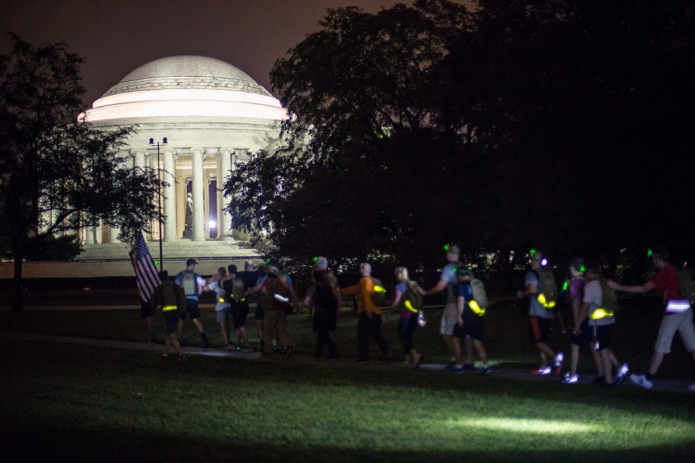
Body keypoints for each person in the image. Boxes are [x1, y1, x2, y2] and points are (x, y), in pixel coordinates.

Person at [609, 247, 695, 390]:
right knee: (693, 345)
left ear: (658, 259)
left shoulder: (665, 273)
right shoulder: (676, 270)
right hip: (686, 309)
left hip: (674, 311)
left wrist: (618, 286)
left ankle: (648, 379)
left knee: (661, 345)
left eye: (654, 259)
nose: (653, 262)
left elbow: (644, 289)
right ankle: (649, 378)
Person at [573, 262, 628, 386]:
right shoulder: (606, 282)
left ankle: (608, 381)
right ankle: (606, 375)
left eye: (587, 272)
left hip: (599, 322)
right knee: (602, 347)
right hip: (610, 320)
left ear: (592, 273)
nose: (585, 274)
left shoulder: (591, 286)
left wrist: (578, 323)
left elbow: (585, 307)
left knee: (603, 350)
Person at [516, 250, 564, 375]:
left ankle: (556, 359)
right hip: (549, 311)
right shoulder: (547, 273)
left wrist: (522, 294)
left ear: (534, 261)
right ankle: (544, 366)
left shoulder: (532, 274)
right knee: (543, 340)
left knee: (536, 341)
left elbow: (532, 289)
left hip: (536, 312)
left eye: (531, 259)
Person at [423, 245, 465, 373]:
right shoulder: (465, 267)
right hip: (467, 304)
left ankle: (458, 364)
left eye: (447, 253)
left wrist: (426, 293)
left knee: (448, 334)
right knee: (466, 336)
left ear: (451, 254)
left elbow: (440, 287)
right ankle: (467, 361)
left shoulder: (449, 268)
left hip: (453, 304)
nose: (446, 255)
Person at [341, 262, 391, 363]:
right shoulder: (373, 281)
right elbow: (356, 289)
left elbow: (365, 297)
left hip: (366, 312)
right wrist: (341, 291)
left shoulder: (364, 281)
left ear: (362, 270)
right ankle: (386, 350)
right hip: (377, 311)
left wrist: (368, 312)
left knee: (363, 335)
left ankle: (364, 357)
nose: (359, 271)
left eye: (361, 269)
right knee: (375, 333)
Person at [454, 266, 492, 375]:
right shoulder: (474, 284)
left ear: (460, 276)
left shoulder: (462, 285)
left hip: (467, 315)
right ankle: (486, 366)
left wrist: (459, 316)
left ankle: (458, 366)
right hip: (478, 315)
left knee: (455, 338)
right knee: (477, 342)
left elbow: (461, 301)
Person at [390, 266, 424, 368]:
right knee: (408, 336)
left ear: (401, 274)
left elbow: (396, 302)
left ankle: (415, 354)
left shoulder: (400, 286)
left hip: (406, 314)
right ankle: (407, 360)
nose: (396, 277)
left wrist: (389, 312)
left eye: (397, 274)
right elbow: (423, 293)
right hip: (415, 313)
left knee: (402, 336)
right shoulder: (413, 284)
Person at [260, 266, 297, 357]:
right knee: (282, 330)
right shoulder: (284, 282)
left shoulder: (269, 282)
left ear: (269, 274)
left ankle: (268, 349)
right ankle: (289, 345)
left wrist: (265, 293)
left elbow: (267, 293)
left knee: (268, 330)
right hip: (282, 310)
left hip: (271, 309)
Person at [304, 270, 340, 361]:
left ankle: (334, 354)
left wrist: (309, 304)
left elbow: (306, 302)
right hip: (330, 313)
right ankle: (317, 354)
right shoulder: (329, 286)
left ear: (314, 278)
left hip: (320, 313)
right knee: (321, 334)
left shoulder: (313, 288)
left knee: (325, 334)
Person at [150, 271, 186, 359]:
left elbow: (153, 303)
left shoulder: (159, 289)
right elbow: (182, 297)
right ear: (168, 277)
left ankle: (180, 353)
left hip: (167, 313)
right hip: (176, 312)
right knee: (170, 334)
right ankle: (165, 353)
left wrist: (152, 311)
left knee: (171, 333)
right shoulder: (175, 286)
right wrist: (183, 310)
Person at [174, 258, 210, 348]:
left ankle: (179, 340)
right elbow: (203, 283)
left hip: (182, 300)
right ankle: (204, 338)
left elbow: (176, 287)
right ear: (192, 265)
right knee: (195, 318)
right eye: (194, 265)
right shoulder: (195, 275)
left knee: (181, 319)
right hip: (193, 299)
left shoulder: (180, 275)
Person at [222, 263, 254, 352]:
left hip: (236, 305)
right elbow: (250, 290)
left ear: (229, 271)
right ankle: (237, 343)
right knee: (241, 324)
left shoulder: (228, 282)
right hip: (244, 304)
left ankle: (248, 346)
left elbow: (225, 294)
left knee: (240, 325)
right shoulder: (244, 278)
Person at [129, 247, 155, 344]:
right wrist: (150, 259)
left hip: (145, 296)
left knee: (148, 316)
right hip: (151, 295)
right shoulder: (150, 271)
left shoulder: (140, 272)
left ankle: (150, 336)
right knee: (151, 316)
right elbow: (154, 263)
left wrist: (132, 256)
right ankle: (152, 333)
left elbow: (134, 265)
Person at [206, 267, 233, 350]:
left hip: (220, 306)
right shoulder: (229, 281)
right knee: (228, 324)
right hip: (229, 304)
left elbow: (206, 289)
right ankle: (228, 340)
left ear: (218, 273)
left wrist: (207, 282)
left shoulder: (215, 282)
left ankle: (226, 343)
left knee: (222, 325)